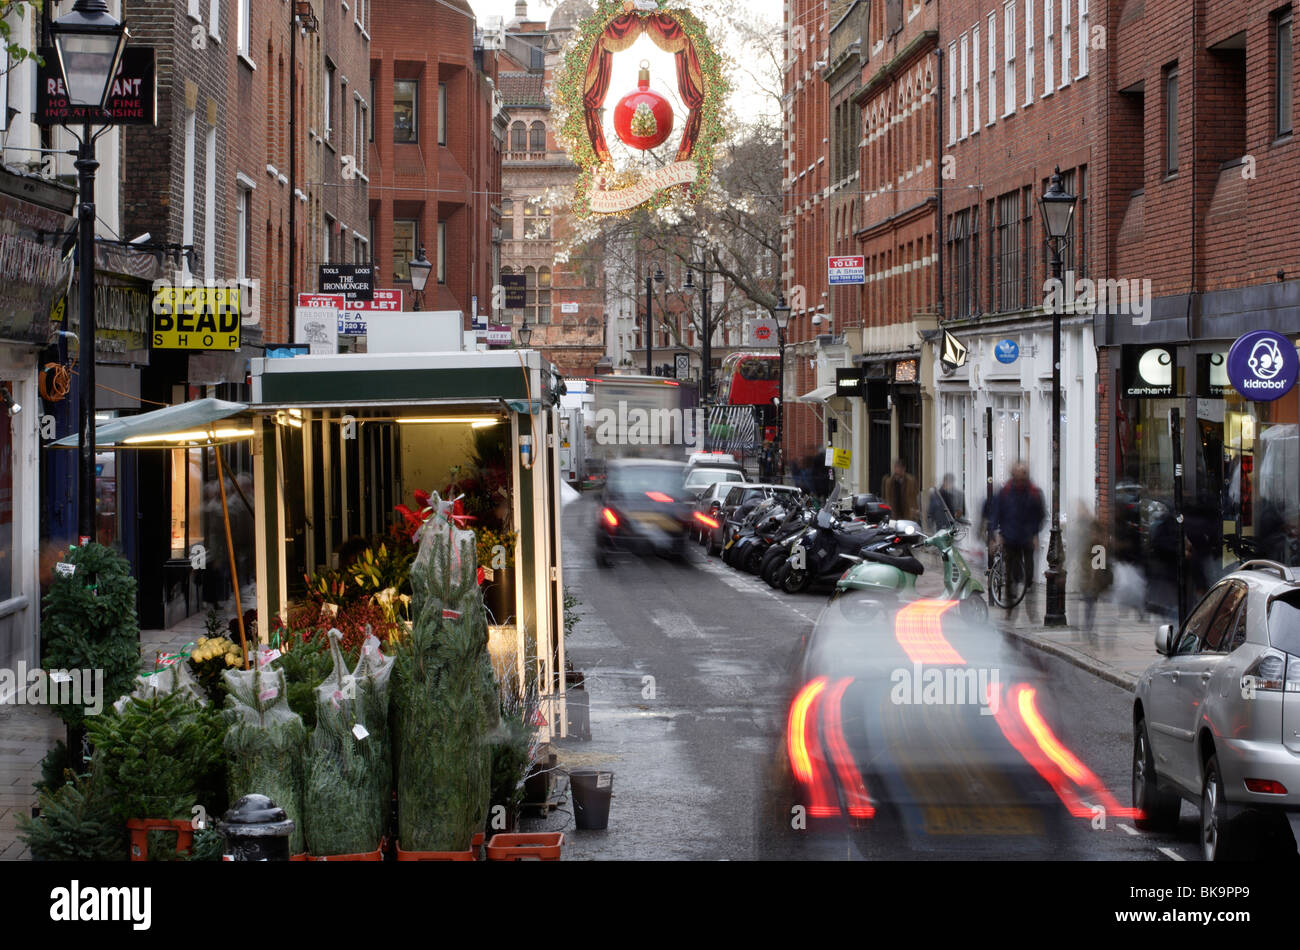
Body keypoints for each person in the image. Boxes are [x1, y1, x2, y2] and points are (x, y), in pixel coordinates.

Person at [988, 461, 1045, 612]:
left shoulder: (1033, 492)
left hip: (1026, 537)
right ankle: (1009, 606)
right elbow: (996, 513)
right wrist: (995, 535)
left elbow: (1039, 515)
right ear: (1013, 474)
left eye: (1023, 473)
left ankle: (1029, 599)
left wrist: (1034, 533)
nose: (1021, 476)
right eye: (1018, 473)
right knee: (1011, 572)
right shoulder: (1005, 491)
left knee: (1029, 572)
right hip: (1010, 536)